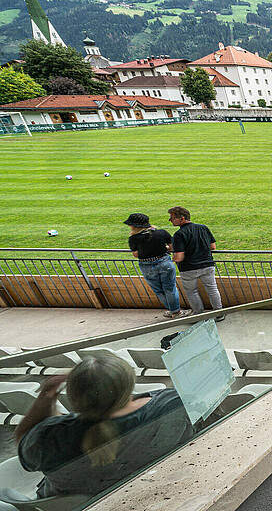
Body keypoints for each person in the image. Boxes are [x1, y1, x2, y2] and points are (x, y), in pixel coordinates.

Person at [15, 354, 194, 498]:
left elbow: (23, 437)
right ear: (129, 385)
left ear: (73, 397)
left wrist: (48, 393)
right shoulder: (171, 404)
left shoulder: (49, 436)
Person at [124, 213, 189, 319]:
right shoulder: (161, 233)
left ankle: (172, 310)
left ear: (134, 226)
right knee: (170, 288)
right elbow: (173, 248)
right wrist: (165, 248)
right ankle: (176, 311)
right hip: (164, 263)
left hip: (146, 266)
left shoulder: (133, 238)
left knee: (159, 290)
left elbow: (136, 255)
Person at [169, 206, 224, 321]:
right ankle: (219, 313)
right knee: (212, 288)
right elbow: (212, 246)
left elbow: (179, 257)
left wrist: (172, 257)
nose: (170, 220)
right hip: (207, 265)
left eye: (172, 218)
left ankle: (198, 314)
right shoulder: (203, 228)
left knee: (191, 292)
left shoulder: (179, 234)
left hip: (188, 269)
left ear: (182, 218)